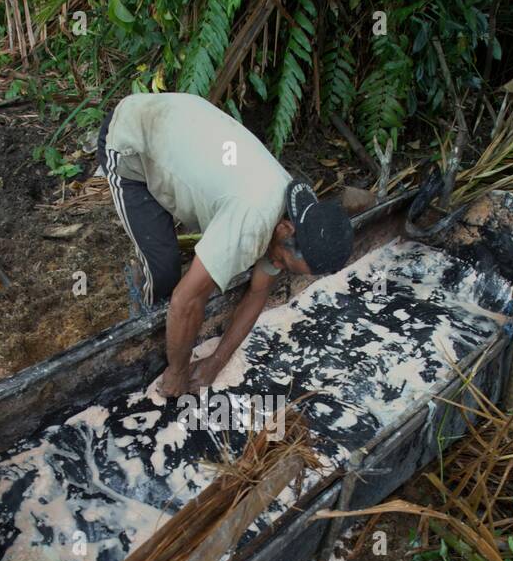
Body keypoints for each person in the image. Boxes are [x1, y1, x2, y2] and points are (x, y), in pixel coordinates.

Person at [97, 92, 354, 397]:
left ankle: (169, 338)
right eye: (284, 264)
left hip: (182, 135)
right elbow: (186, 301)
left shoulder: (296, 216)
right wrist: (178, 371)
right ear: (286, 229)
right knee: (164, 273)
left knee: (190, 271)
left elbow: (259, 291)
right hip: (133, 140)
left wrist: (217, 362)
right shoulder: (253, 218)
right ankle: (145, 326)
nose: (277, 269)